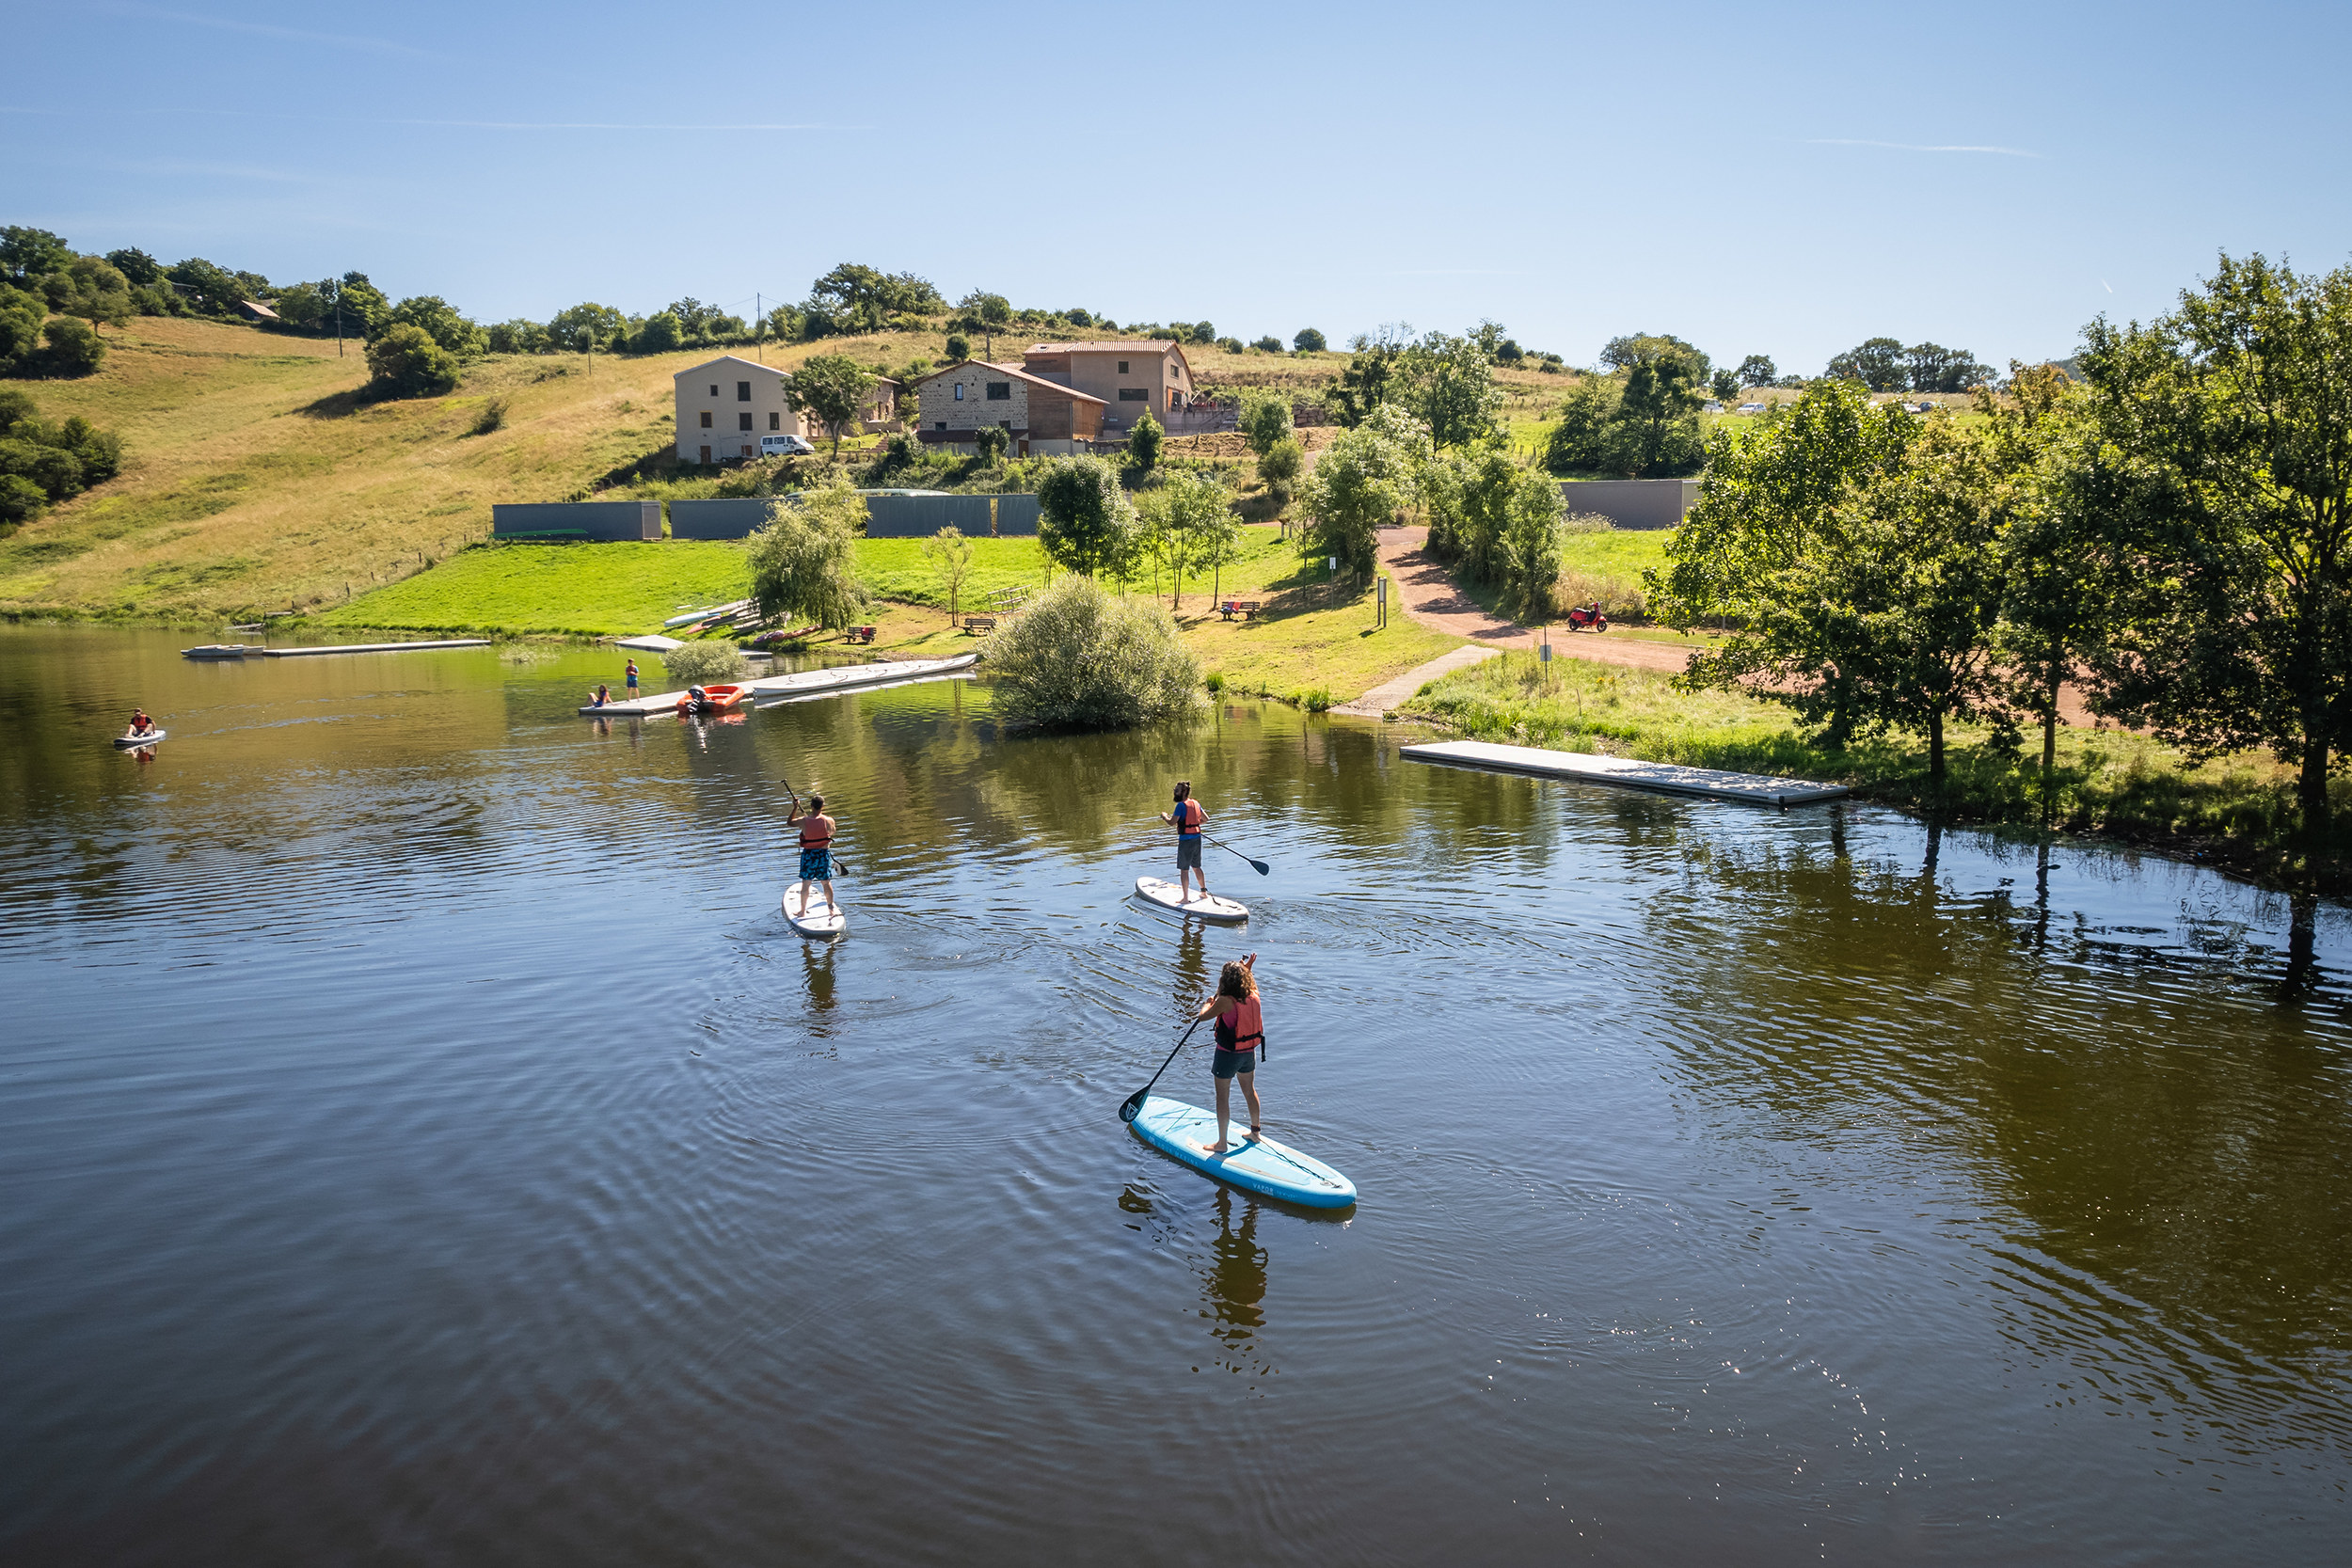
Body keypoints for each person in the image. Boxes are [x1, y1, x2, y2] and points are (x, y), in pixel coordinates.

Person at [1194, 953, 1263, 1152]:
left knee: (1222, 1097)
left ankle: (1222, 1143)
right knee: (1249, 1091)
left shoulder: (1225, 1001)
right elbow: (1249, 982)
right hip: (1248, 1054)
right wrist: (1247, 968)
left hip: (1227, 1055)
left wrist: (1208, 1003)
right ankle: (1255, 1133)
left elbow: (1202, 1017)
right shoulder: (1253, 994)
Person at [787, 792, 837, 920]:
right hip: (823, 854)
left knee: (806, 883)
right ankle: (830, 909)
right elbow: (832, 832)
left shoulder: (804, 821)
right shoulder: (829, 821)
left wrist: (795, 807)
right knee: (826, 883)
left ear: (811, 806)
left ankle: (802, 911)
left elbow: (790, 822)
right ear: (822, 806)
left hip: (809, 855)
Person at [1159, 780, 1209, 904]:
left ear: (1184, 792)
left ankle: (1185, 898)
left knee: (1184, 869)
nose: (1175, 792)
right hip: (1197, 838)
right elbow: (1206, 819)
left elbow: (1171, 822)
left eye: (1176, 790)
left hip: (1186, 841)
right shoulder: (1196, 803)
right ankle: (1203, 893)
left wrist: (1164, 816)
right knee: (1197, 867)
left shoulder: (1181, 806)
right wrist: (1194, 825)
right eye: (1174, 790)